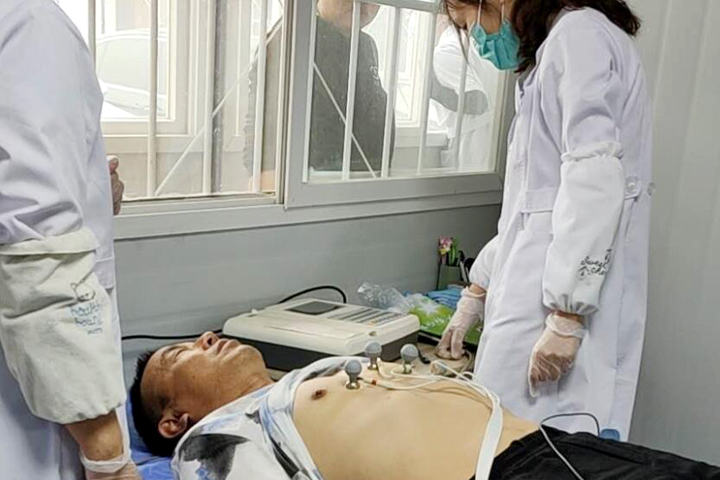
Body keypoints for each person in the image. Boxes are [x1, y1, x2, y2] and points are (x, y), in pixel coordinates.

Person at [436, 0, 653, 440]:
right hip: (540, 293)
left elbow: (594, 180)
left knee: (545, 443)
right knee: (510, 438)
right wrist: (477, 290)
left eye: (468, 22)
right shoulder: (552, 54)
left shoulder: (579, 36)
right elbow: (531, 209)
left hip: (557, 306)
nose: (478, 39)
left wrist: (567, 316)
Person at [129, 333, 720, 480]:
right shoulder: (213, 442)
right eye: (181, 355)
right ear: (175, 420)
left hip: (555, 448)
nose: (206, 338)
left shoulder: (293, 385)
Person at [0, 1, 138, 479]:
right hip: (32, 421)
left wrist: (90, 187)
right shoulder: (28, 22)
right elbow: (38, 252)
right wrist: (110, 460)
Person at [244, 0, 393, 189]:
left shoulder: (365, 45)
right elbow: (265, 142)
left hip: (364, 185)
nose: (363, 3)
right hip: (312, 190)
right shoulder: (290, 38)